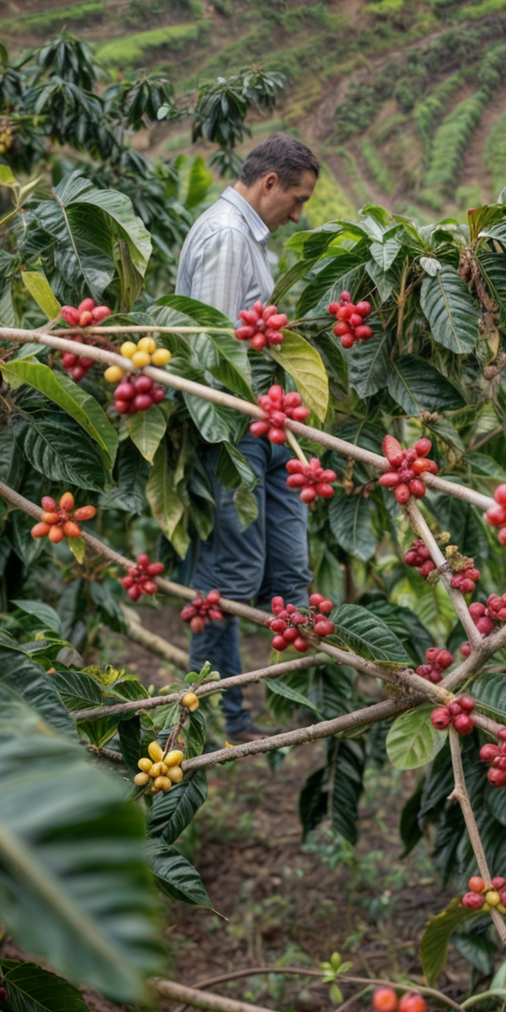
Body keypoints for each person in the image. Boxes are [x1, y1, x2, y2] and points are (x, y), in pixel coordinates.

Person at [176, 132, 320, 740]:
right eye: (298, 198)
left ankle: (310, 694)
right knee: (228, 580)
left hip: (264, 426)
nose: (299, 212)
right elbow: (211, 352)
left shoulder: (245, 234)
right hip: (233, 429)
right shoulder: (230, 238)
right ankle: (217, 717)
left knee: (291, 574)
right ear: (269, 184)